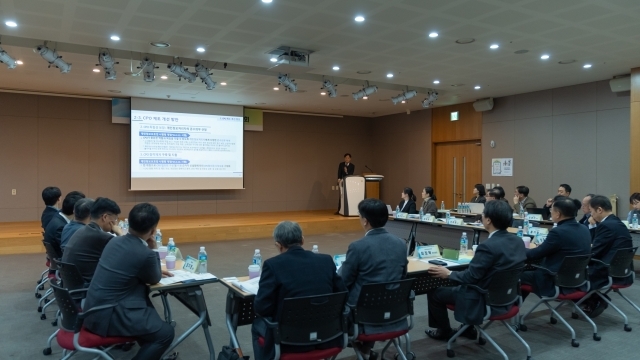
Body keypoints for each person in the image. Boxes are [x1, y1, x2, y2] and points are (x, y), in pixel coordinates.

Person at [82, 203, 176, 360]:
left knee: (151, 323)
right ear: (153, 231)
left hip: (92, 308)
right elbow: (154, 278)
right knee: (165, 333)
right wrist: (152, 249)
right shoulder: (144, 253)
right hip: (109, 315)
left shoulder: (114, 242)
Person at [425, 201, 526, 340]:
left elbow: (471, 277)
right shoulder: (518, 241)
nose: (481, 216)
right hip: (508, 297)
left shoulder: (488, 246)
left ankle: (444, 331)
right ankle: (467, 329)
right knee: (459, 282)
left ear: (488, 220)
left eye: (483, 214)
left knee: (435, 292)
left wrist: (448, 273)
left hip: (483, 299)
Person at [252, 221, 346, 360]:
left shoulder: (272, 265)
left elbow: (261, 308)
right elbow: (343, 295)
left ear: (278, 245)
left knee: (256, 325)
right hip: (328, 335)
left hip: (288, 340)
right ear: (302, 240)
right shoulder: (325, 260)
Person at [339, 198, 408, 358]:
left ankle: (361, 348)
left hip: (362, 317)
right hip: (395, 313)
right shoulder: (400, 244)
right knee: (377, 293)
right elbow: (402, 277)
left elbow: (343, 282)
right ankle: (366, 350)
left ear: (365, 221)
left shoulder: (358, 247)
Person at [520, 196, 591, 300]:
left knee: (518, 275)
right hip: (578, 279)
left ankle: (509, 309)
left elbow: (535, 254)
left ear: (558, 214)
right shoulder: (584, 228)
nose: (550, 212)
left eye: (551, 210)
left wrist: (518, 250)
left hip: (555, 279)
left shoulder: (558, 232)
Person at [582, 195, 634, 318]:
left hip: (605, 271)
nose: (591, 215)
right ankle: (593, 300)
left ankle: (594, 300)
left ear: (599, 210)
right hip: (622, 270)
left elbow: (595, 251)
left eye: (592, 211)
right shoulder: (616, 222)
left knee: (569, 272)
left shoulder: (607, 225)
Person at [62, 197, 124, 282]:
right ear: (105, 217)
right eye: (115, 219)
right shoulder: (102, 237)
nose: (115, 223)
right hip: (87, 287)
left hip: (72, 285)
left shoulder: (82, 230)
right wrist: (120, 233)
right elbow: (126, 254)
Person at [44, 191, 86, 259]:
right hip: (63, 261)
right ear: (75, 211)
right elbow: (68, 250)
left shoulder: (58, 216)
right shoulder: (60, 227)